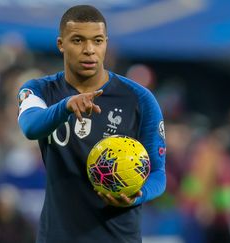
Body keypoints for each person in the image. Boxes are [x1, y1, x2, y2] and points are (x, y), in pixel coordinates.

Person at [17, 5, 166, 243]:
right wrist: (66, 106)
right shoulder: (40, 90)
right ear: (60, 44)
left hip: (118, 237)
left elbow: (158, 173)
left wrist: (139, 195)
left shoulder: (140, 99)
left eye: (97, 41)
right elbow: (30, 126)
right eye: (78, 40)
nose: (89, 50)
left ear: (106, 43)